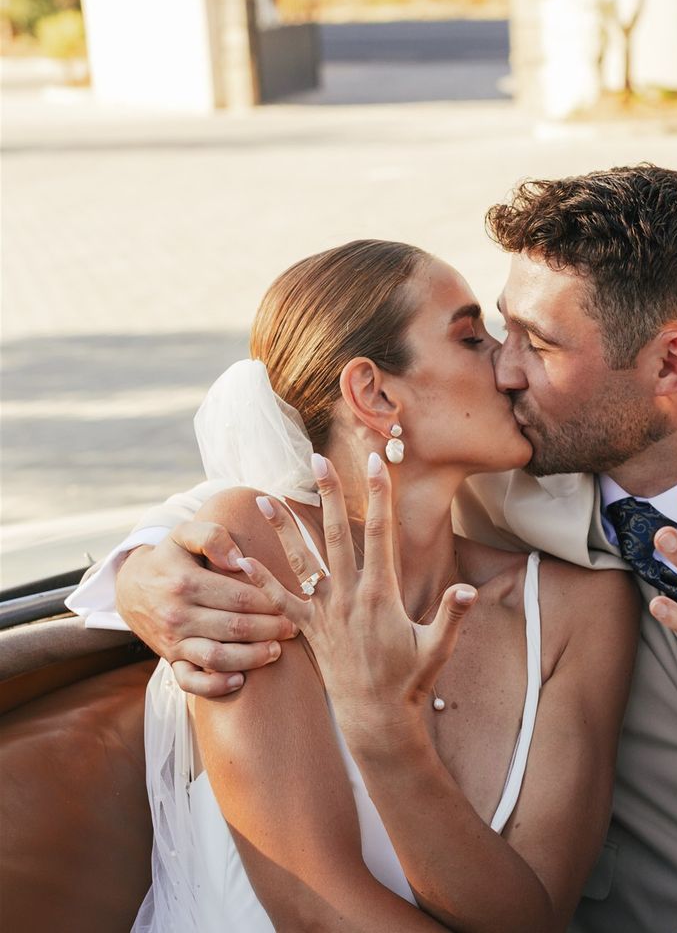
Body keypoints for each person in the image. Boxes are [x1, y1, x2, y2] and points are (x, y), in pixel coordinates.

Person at [69, 167, 677, 932]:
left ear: (672, 365)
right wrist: (146, 565)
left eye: (535, 343)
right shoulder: (505, 467)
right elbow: (303, 485)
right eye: (490, 333)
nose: (506, 369)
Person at [120, 239, 639, 930]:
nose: (510, 367)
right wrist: (134, 574)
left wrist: (386, 735)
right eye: (470, 337)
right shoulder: (259, 546)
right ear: (374, 392)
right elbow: (313, 903)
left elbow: (533, 917)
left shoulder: (579, 608)